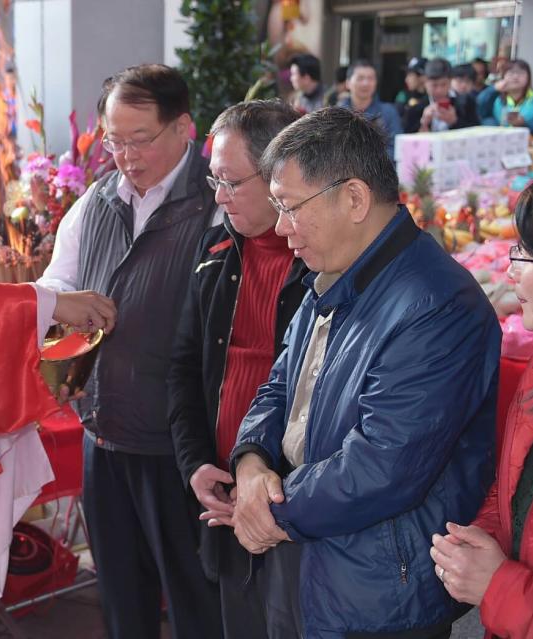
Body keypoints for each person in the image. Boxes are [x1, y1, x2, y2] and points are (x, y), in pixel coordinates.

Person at [228, 107, 500, 639]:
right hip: (307, 547)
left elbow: (383, 467)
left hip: (378, 586)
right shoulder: (330, 274)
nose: (281, 228)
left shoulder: (437, 304)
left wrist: (268, 509)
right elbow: (279, 384)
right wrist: (252, 464)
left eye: (289, 207)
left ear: (353, 198)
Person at [35, 64, 221, 638]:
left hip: (182, 448)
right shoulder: (95, 203)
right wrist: (61, 315)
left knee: (197, 600)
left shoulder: (218, 207)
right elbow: (57, 285)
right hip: (103, 432)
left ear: (184, 128)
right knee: (120, 599)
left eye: (141, 139)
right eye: (114, 140)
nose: (126, 155)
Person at [168, 99, 307, 639]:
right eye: (214, 179)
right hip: (223, 493)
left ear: (278, 176)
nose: (219, 197)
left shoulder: (318, 258)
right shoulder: (218, 247)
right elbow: (183, 365)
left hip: (291, 505)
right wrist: (196, 463)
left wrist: (273, 493)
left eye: (231, 182)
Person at [431, 172, 533, 639]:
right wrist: (480, 540)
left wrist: (498, 584)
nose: (511, 270)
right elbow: (514, 490)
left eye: (529, 251)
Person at [476, 58, 533, 145]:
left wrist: (525, 123)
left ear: (528, 77)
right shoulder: (494, 99)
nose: (515, 77)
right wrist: (493, 89)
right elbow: (479, 107)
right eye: (510, 73)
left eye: (521, 73)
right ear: (503, 77)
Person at [339, 59, 402, 159]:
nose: (366, 83)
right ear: (348, 83)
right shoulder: (337, 113)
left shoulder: (389, 112)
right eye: (360, 78)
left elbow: (395, 149)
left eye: (370, 78)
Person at [403, 57, 480, 133]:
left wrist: (455, 121)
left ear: (450, 82)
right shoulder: (416, 108)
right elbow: (406, 137)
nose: (439, 90)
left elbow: (476, 132)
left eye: (443, 84)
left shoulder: (466, 103)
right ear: (425, 83)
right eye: (434, 85)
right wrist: (423, 123)